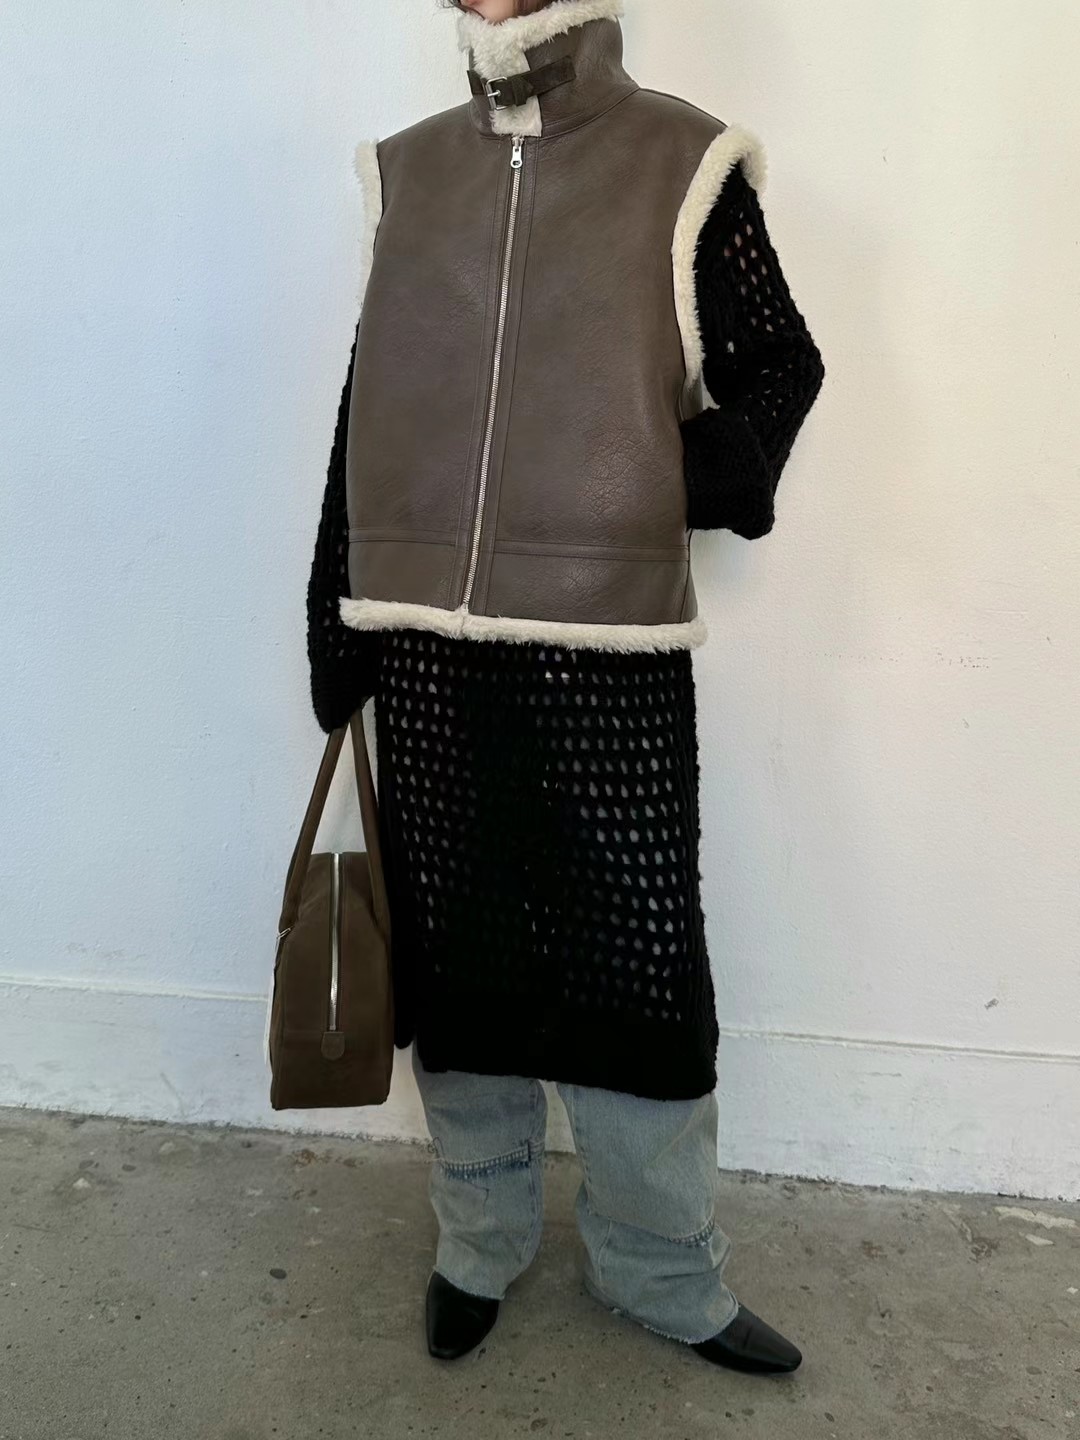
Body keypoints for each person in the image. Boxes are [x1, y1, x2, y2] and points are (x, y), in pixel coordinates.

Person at [307, 0, 825, 1374]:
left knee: (636, 970)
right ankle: (478, 1243)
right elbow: (369, 403)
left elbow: (779, 363)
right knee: (459, 959)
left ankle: (662, 1270)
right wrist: (333, 612)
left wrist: (676, 479)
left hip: (609, 650)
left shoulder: (685, 162)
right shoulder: (408, 168)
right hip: (427, 643)